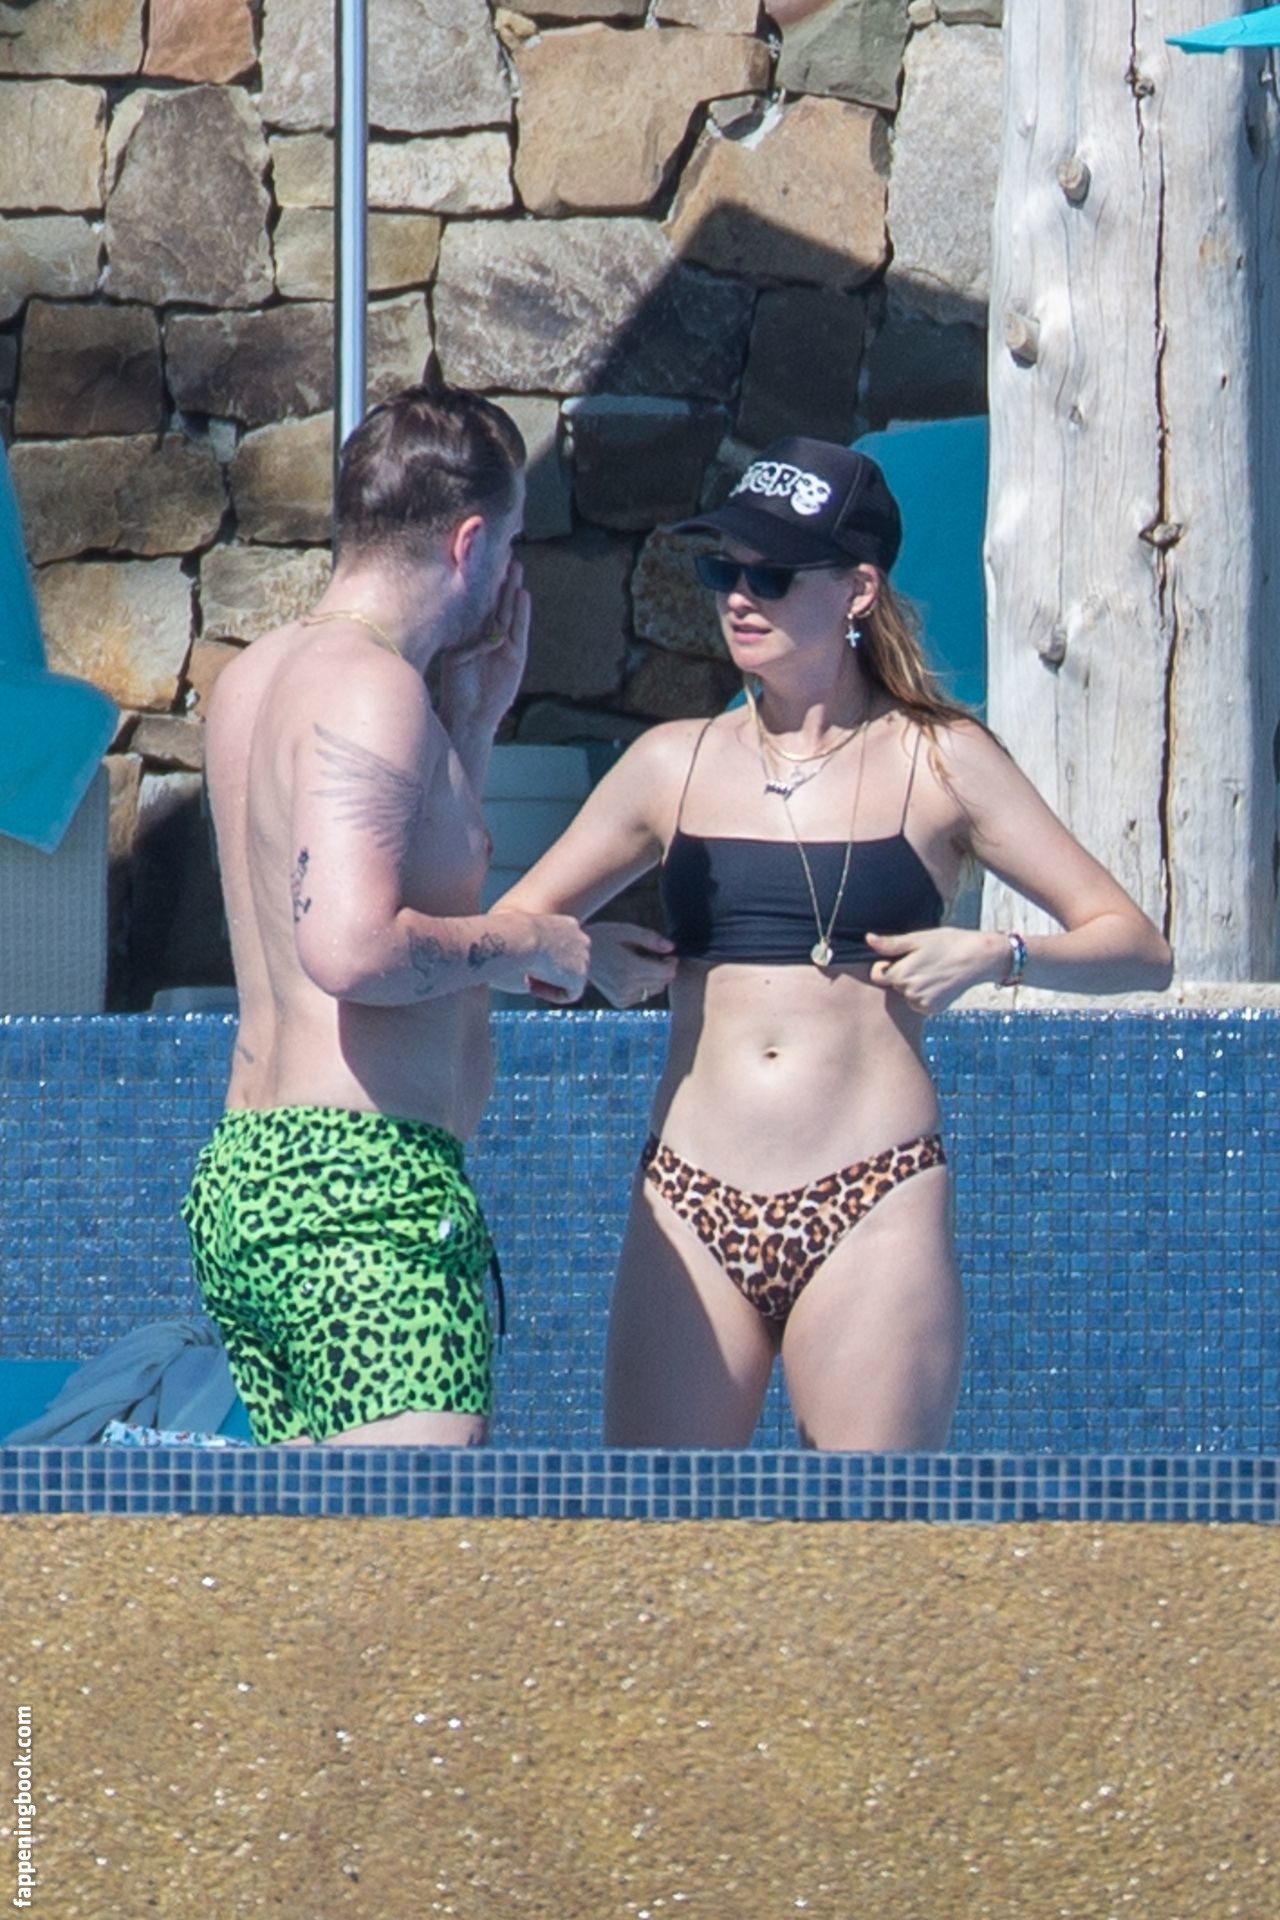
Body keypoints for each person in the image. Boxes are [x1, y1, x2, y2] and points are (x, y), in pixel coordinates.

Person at [496, 435, 1173, 1450]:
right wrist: (582, 954)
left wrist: (999, 955)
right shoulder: (670, 765)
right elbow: (509, 938)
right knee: (652, 1529)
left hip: (871, 1195)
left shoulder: (940, 760)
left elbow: (1136, 947)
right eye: (722, 570)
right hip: (690, 1195)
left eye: (770, 574)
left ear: (856, 589)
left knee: (866, 1532)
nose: (738, 597)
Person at [181, 385, 590, 1446]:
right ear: (468, 543)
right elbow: (349, 946)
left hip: (261, 1177)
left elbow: (380, 875)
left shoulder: (258, 676)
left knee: (330, 1546)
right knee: (413, 1546)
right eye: (509, 546)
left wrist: (472, 727)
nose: (507, 573)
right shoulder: (370, 689)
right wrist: (527, 940)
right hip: (359, 1194)